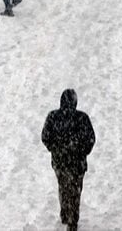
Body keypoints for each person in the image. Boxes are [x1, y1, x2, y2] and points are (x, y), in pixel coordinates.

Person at [42, 89, 97, 231]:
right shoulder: (82, 118)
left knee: (63, 187)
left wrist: (56, 149)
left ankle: (65, 212)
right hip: (77, 163)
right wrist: (82, 152)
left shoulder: (53, 117)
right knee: (75, 191)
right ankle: (72, 220)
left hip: (60, 162)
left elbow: (45, 137)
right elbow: (90, 138)